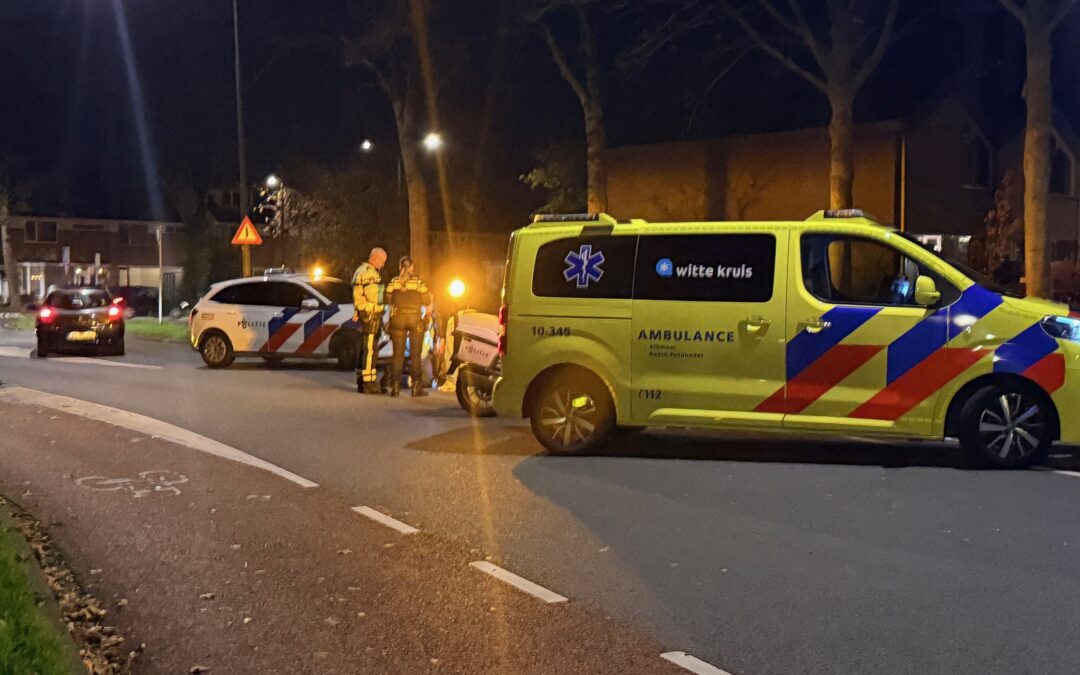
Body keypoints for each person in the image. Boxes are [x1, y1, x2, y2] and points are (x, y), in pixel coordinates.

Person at [385, 255, 433, 397]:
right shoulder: (419, 282)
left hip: (398, 319)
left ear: (400, 267)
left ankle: (395, 387)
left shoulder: (393, 282)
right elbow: (426, 300)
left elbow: (387, 299)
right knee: (415, 355)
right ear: (411, 268)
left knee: (398, 355)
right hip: (415, 319)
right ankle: (416, 387)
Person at [352, 247, 388, 394]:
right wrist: (381, 305)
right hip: (371, 314)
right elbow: (375, 297)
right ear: (375, 258)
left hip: (365, 313)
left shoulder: (361, 270)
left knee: (366, 349)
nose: (383, 265)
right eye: (383, 261)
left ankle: (363, 380)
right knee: (370, 351)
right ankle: (368, 383)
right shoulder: (369, 273)